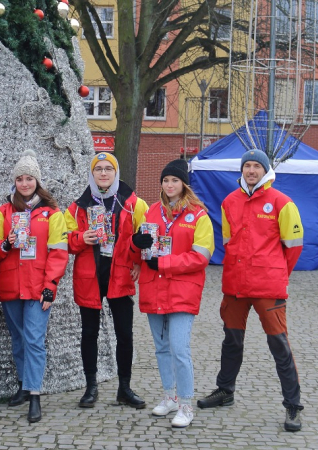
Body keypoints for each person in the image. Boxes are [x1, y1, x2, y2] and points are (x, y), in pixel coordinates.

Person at [197, 149, 305, 432]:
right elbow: (229, 241)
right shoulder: (229, 201)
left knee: (279, 345)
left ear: (266, 170)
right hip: (235, 285)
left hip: (267, 287)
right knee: (231, 340)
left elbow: (293, 247)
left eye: (257, 166)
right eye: (247, 166)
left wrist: (276, 273)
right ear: (242, 170)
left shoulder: (282, 202)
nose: (251, 170)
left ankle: (293, 405)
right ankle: (225, 391)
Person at [131, 159, 214, 428]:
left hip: (182, 292)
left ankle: (186, 405)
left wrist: (165, 263)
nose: (169, 185)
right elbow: (140, 253)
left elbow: (201, 257)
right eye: (165, 180)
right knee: (162, 349)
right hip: (154, 289)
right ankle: (170, 397)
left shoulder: (199, 215)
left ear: (184, 184)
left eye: (174, 180)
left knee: (179, 348)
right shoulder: (152, 212)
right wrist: (136, 243)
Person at [64, 152, 148, 409]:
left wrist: (138, 263)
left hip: (120, 274)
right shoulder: (78, 205)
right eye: (98, 169)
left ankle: (124, 388)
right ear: (92, 174)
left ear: (116, 172)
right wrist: (81, 238)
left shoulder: (133, 203)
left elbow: (144, 237)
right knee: (89, 333)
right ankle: (91, 387)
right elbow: (64, 238)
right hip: (90, 276)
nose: (103, 173)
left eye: (108, 169)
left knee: (124, 334)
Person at [0, 150, 68, 423]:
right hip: (11, 286)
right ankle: (24, 385)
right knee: (18, 338)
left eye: (29, 178)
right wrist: (6, 243)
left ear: (37, 181)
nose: (24, 184)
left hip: (38, 288)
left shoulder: (52, 214)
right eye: (20, 179)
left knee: (34, 339)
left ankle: (35, 394)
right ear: (14, 182)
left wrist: (50, 286)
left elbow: (58, 253)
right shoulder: (3, 212)